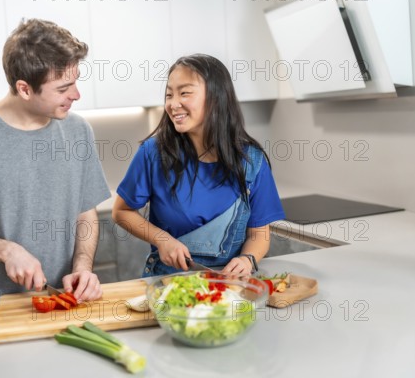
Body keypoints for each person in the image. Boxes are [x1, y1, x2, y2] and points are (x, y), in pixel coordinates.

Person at [0, 19, 111, 306]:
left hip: (66, 304)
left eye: (75, 83)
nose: (76, 95)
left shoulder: (78, 131)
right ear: (24, 89)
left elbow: (85, 214)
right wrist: (5, 251)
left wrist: (82, 268)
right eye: (64, 88)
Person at [112, 54, 285, 277]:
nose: (173, 104)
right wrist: (162, 239)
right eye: (169, 95)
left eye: (184, 93)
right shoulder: (153, 153)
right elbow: (121, 211)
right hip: (167, 286)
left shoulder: (252, 161)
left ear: (216, 97)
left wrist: (247, 259)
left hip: (228, 288)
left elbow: (259, 234)